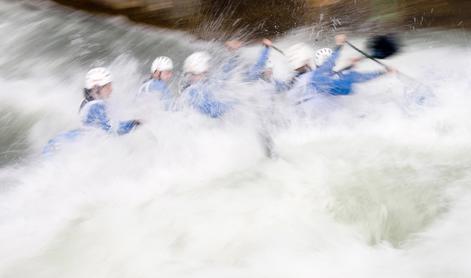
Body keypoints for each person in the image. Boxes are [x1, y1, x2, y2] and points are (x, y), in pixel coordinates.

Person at [43, 67, 140, 155]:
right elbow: (111, 128)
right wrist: (134, 124)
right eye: (107, 86)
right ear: (96, 88)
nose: (111, 89)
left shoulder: (86, 102)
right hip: (88, 145)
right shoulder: (95, 105)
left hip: (82, 142)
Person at [180, 51, 231, 118]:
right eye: (191, 74)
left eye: (193, 74)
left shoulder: (197, 88)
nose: (190, 77)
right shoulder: (193, 91)